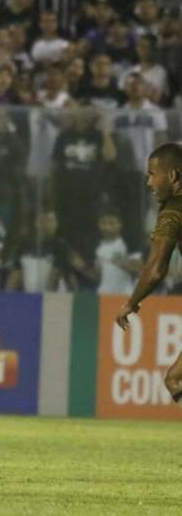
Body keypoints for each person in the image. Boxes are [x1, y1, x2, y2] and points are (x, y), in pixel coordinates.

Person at [116, 143, 182, 406]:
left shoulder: (174, 210)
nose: (148, 182)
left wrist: (131, 302)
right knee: (174, 379)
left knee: (175, 380)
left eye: (153, 174)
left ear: (174, 177)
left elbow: (156, 268)